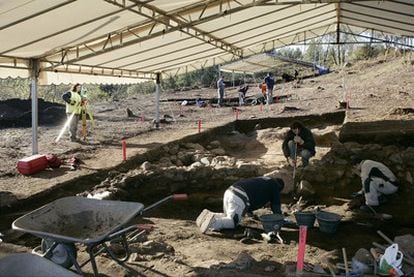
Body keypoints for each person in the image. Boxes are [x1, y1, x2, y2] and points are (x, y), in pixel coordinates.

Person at [196, 176, 284, 234]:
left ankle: (212, 215)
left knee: (228, 216)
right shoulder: (274, 185)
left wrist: (250, 214)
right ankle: (213, 223)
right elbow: (276, 205)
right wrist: (279, 219)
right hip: (239, 197)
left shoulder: (264, 180)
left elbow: (253, 195)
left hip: (230, 191)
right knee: (233, 222)